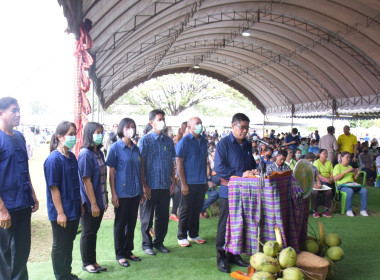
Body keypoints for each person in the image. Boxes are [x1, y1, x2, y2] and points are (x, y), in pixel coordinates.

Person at [0, 97, 39, 280]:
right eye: (13, 110)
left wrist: (32, 193)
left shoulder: (20, 137)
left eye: (19, 110)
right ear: (1, 113)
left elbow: (24, 168)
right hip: (6, 207)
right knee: (4, 256)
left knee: (22, 250)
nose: (18, 114)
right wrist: (2, 210)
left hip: (23, 203)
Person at [214, 113, 256, 273]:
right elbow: (220, 168)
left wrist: (254, 168)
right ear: (233, 126)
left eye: (247, 127)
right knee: (224, 225)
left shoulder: (247, 144)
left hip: (245, 191)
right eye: (242, 127)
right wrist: (241, 173)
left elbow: (250, 162)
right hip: (228, 190)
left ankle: (234, 254)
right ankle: (221, 257)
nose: (245, 131)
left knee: (240, 224)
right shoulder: (223, 144)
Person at [44, 121, 82, 280]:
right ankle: (60, 275)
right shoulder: (53, 160)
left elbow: (76, 183)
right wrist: (60, 213)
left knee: (69, 242)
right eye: (70, 134)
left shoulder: (72, 156)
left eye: (75, 134)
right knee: (60, 245)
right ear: (59, 137)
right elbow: (54, 189)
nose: (74, 137)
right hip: (61, 211)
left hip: (73, 208)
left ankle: (67, 272)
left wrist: (80, 204)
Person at [106, 118, 143, 267]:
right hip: (122, 193)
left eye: (133, 127)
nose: (131, 129)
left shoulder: (136, 148)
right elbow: (112, 172)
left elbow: (139, 170)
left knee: (132, 223)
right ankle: (120, 253)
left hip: (134, 192)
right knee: (120, 224)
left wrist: (140, 190)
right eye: (128, 127)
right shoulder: (115, 148)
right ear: (122, 129)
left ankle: (129, 250)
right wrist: (114, 193)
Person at [138, 110, 176, 256]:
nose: (162, 122)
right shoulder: (145, 140)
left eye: (163, 119)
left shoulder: (168, 141)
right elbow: (141, 164)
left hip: (165, 185)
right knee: (147, 217)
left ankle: (159, 242)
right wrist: (143, 184)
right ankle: (147, 244)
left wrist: (173, 181)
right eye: (159, 119)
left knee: (162, 216)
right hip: (150, 186)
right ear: (151, 122)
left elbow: (172, 162)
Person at [78, 122, 108, 273]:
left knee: (93, 232)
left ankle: (93, 260)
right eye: (97, 132)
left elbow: (103, 177)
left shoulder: (99, 153)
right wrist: (94, 203)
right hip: (90, 202)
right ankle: (86, 263)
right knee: (88, 232)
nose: (100, 134)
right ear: (89, 134)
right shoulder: (85, 154)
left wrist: (104, 199)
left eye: (101, 132)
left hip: (100, 200)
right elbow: (86, 180)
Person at [175, 117, 208, 247]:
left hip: (201, 181)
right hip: (188, 182)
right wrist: (183, 183)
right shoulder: (184, 141)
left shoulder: (204, 141)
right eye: (196, 124)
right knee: (185, 209)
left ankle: (193, 234)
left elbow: (204, 161)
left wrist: (205, 180)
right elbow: (179, 163)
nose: (199, 125)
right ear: (189, 127)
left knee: (196, 209)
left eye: (201, 123)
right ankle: (181, 236)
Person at [333, 151, 368, 217]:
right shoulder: (337, 166)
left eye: (349, 157)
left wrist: (357, 174)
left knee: (364, 191)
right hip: (341, 185)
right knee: (350, 191)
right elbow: (335, 178)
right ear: (341, 158)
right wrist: (345, 172)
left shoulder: (350, 167)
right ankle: (348, 210)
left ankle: (363, 210)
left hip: (352, 184)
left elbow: (354, 179)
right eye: (347, 157)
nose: (348, 159)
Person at [306, 152, 333, 218]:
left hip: (315, 185)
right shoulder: (303, 168)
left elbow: (317, 178)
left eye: (312, 161)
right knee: (315, 193)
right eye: (309, 161)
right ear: (306, 160)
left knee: (329, 192)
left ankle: (325, 210)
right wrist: (312, 185)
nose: (311, 162)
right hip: (307, 185)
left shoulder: (315, 168)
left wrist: (319, 184)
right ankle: (315, 211)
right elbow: (303, 180)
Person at [170, 121, 188, 222]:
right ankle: (174, 212)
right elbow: (175, 162)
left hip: (183, 174)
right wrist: (176, 174)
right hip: (175, 175)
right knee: (177, 192)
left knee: (179, 193)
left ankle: (175, 212)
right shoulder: (178, 144)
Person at [200, 146, 220, 218]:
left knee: (215, 194)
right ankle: (199, 210)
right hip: (198, 186)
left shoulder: (206, 163)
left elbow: (208, 175)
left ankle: (200, 209)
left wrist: (207, 164)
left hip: (206, 185)